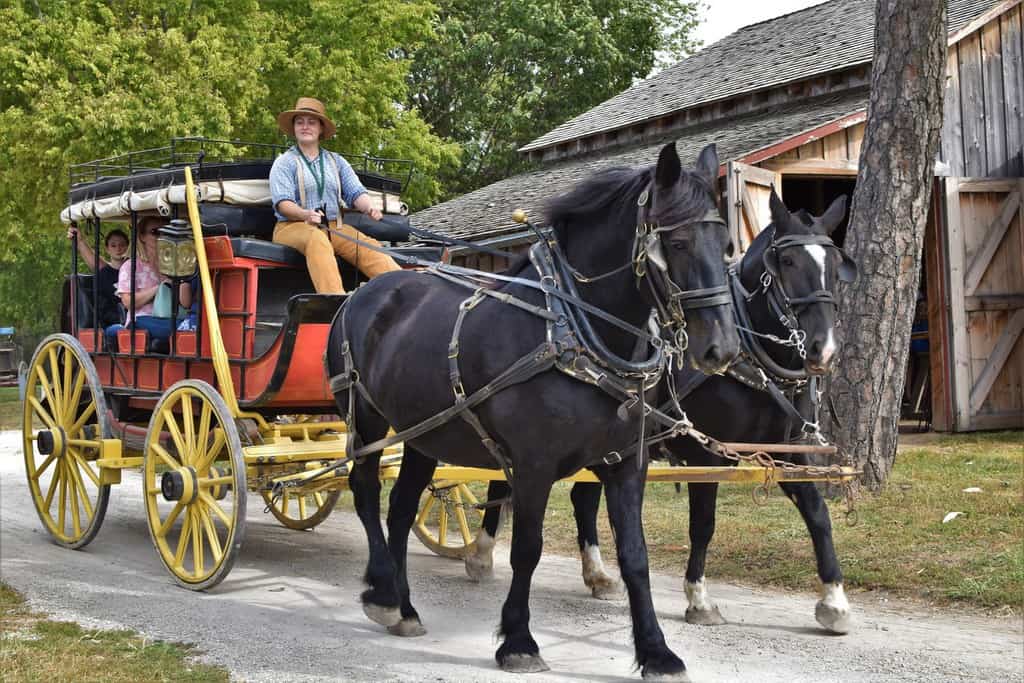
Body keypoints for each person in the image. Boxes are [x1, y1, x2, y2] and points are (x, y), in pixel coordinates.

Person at [269, 97, 400, 294]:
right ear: (294, 127)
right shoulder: (285, 162)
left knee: (367, 245)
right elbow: (283, 203)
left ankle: (405, 291)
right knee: (317, 239)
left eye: (311, 122)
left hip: (333, 227)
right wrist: (305, 214)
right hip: (293, 227)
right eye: (300, 122)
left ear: (321, 128)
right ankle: (334, 303)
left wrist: (369, 206)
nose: (305, 126)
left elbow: (355, 192)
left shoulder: (336, 161)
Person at [105, 216, 192, 348]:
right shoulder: (130, 266)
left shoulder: (176, 264)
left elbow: (185, 301)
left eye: (166, 232)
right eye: (155, 232)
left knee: (191, 325)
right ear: (142, 236)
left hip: (172, 316)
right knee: (179, 329)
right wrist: (158, 288)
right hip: (142, 319)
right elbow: (128, 302)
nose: (161, 236)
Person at [67, 223, 130, 327]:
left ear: (128, 247)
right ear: (107, 249)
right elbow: (103, 308)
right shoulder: (103, 275)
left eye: (122, 245)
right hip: (114, 322)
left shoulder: (135, 271)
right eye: (113, 245)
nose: (118, 249)